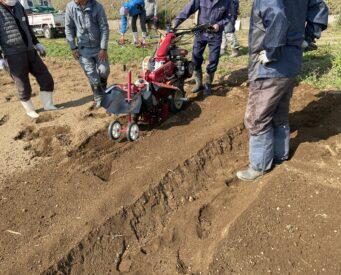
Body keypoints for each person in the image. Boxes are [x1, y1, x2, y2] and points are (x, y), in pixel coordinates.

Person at [236, 0, 328, 181]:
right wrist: (308, 38)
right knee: (279, 112)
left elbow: (276, 16)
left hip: (270, 67)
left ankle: (259, 166)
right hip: (291, 63)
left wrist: (272, 51)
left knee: (257, 117)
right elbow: (320, 8)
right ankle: (280, 155)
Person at [0, 0, 59, 118]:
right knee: (23, 85)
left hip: (30, 50)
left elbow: (27, 27)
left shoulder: (18, 6)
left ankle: (48, 104)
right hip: (13, 54)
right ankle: (30, 110)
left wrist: (36, 43)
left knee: (45, 77)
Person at [174, 0, 233, 96]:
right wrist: (175, 24)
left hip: (215, 35)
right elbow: (187, 10)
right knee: (196, 57)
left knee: (213, 59)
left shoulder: (226, 2)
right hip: (200, 33)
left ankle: (208, 84)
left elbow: (229, 16)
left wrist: (219, 24)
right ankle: (199, 83)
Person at [65, 0, 110, 108]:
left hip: (99, 47)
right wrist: (73, 47)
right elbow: (68, 28)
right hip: (83, 48)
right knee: (91, 73)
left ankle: (102, 89)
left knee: (104, 71)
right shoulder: (70, 7)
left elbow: (104, 28)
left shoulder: (97, 7)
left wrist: (103, 48)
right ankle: (98, 98)